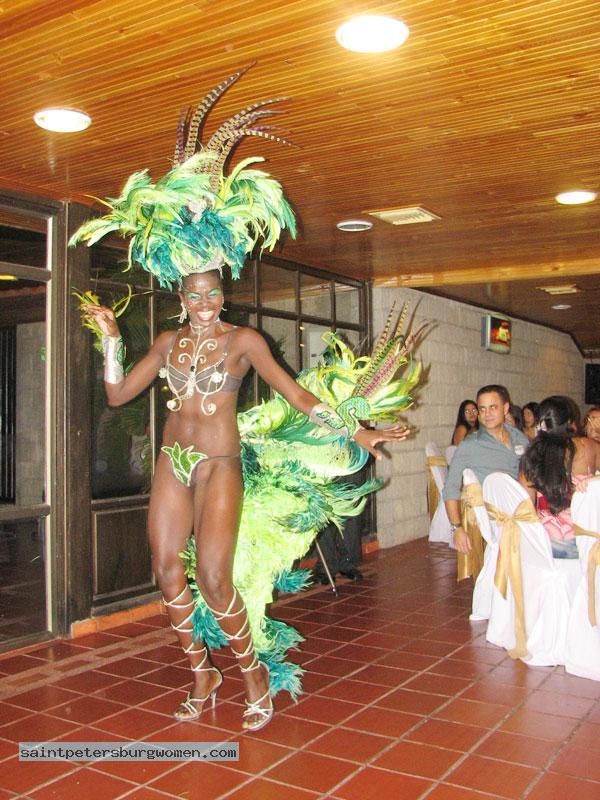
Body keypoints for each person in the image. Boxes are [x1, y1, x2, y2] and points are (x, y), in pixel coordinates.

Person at [72, 68, 411, 733]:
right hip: (173, 462)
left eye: (213, 293)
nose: (204, 303)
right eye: (194, 295)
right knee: (166, 571)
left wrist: (358, 433)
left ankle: (252, 673)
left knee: (214, 578)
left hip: (221, 466)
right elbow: (117, 394)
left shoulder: (244, 341)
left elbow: (297, 394)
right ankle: (201, 672)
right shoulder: (167, 343)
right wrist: (110, 339)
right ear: (180, 296)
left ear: (222, 291)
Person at [443, 384, 528, 554]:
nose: (487, 414)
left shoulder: (520, 438)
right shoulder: (470, 445)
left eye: (493, 407)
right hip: (495, 521)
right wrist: (456, 528)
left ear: (505, 408)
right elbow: (450, 487)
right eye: (482, 409)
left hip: (525, 513)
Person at [519, 396, 599, 558]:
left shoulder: (531, 455)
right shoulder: (589, 446)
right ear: (570, 422)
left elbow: (525, 508)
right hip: (583, 542)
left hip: (541, 544)